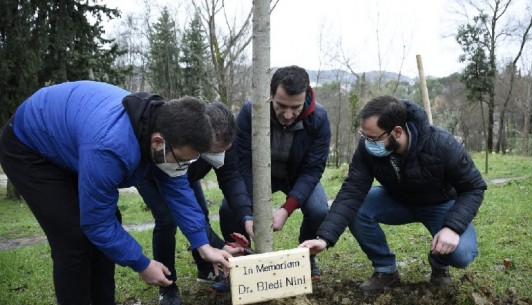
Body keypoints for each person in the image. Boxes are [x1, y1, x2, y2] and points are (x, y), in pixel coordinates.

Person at [0, 81, 232, 305]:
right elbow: (96, 223)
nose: (185, 166)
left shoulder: (164, 126)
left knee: (110, 226)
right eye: (183, 160)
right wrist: (142, 264)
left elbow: (177, 189)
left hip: (73, 142)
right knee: (73, 236)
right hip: (30, 146)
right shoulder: (110, 147)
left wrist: (203, 244)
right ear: (158, 141)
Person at [300, 95, 487, 292]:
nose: (367, 143)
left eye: (372, 138)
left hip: (440, 204)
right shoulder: (367, 149)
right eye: (363, 136)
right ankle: (385, 270)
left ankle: (439, 262)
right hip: (397, 200)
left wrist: (453, 228)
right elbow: (351, 192)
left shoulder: (442, 144)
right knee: (357, 207)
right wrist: (324, 238)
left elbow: (474, 187)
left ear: (397, 131)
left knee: (462, 254)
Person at [219, 65, 331, 279]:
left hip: (297, 176)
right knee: (228, 208)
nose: (288, 114)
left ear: (306, 96)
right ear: (270, 94)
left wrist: (286, 209)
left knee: (318, 210)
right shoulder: (250, 111)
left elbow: (313, 170)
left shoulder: (319, 119)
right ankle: (239, 261)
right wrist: (247, 215)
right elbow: (242, 162)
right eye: (281, 105)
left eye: (295, 107)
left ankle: (306, 256)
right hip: (257, 173)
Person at [135, 102, 251, 305]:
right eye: (214, 151)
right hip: (154, 175)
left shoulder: (225, 141)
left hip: (185, 176)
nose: (218, 156)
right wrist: (218, 244)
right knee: (167, 220)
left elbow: (231, 177)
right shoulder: (184, 135)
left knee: (201, 213)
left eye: (223, 150)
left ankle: (205, 267)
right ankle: (167, 285)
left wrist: (246, 215)